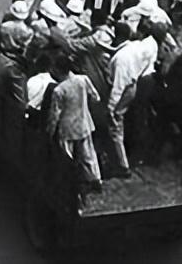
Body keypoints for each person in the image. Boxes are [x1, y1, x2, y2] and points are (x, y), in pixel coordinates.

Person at [45, 53, 103, 192]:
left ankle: (69, 184)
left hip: (67, 127)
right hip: (84, 122)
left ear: (58, 70)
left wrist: (50, 131)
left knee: (66, 157)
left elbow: (55, 114)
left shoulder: (59, 90)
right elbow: (96, 97)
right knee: (88, 154)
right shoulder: (83, 80)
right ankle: (96, 180)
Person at [106, 21, 157, 177]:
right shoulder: (135, 46)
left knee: (115, 125)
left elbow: (118, 86)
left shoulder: (122, 58)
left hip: (125, 89)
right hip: (133, 83)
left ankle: (122, 165)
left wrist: (111, 107)